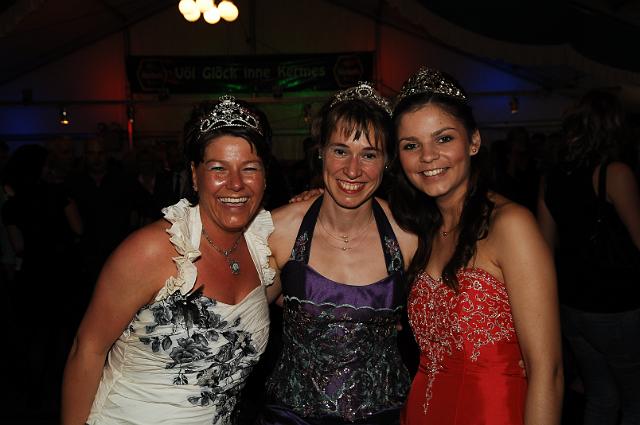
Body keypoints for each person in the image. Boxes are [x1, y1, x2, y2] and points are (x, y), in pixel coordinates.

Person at [61, 95, 276, 425]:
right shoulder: (151, 251)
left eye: (250, 168)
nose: (236, 183)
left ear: (265, 176)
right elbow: (87, 350)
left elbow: (327, 221)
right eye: (218, 168)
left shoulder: (265, 248)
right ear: (194, 175)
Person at [389, 67, 563, 425]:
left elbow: (548, 372)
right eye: (411, 145)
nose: (427, 156)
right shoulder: (419, 230)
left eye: (443, 139)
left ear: (474, 142)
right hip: (421, 411)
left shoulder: (510, 226)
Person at [257, 82, 418, 424]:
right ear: (320, 152)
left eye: (369, 155)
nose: (353, 170)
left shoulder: (408, 237)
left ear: (387, 161)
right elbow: (237, 320)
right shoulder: (279, 231)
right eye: (341, 151)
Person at [538, 90, 640, 425]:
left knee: (600, 397)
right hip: (617, 304)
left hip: (572, 305)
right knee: (635, 402)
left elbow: (544, 249)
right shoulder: (615, 172)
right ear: (613, 126)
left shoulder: (551, 177)